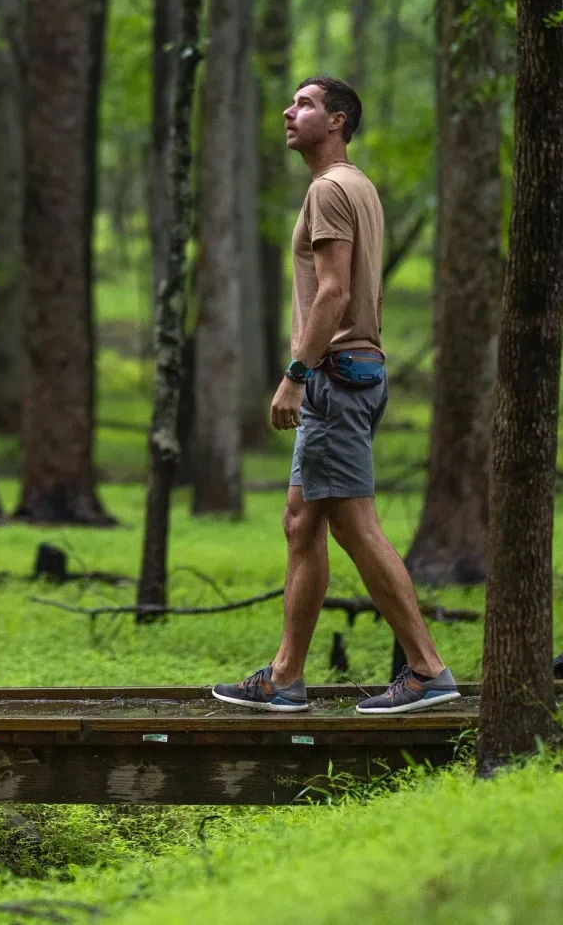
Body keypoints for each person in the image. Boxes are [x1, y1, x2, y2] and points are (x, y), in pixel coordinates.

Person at [211, 77, 459, 715]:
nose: (289, 112)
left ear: (339, 121)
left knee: (354, 525)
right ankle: (286, 677)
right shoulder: (358, 186)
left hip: (335, 379)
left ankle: (428, 670)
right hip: (351, 376)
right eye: (291, 101)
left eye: (305, 104)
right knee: (301, 522)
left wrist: (296, 372)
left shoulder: (328, 190)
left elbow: (333, 293)